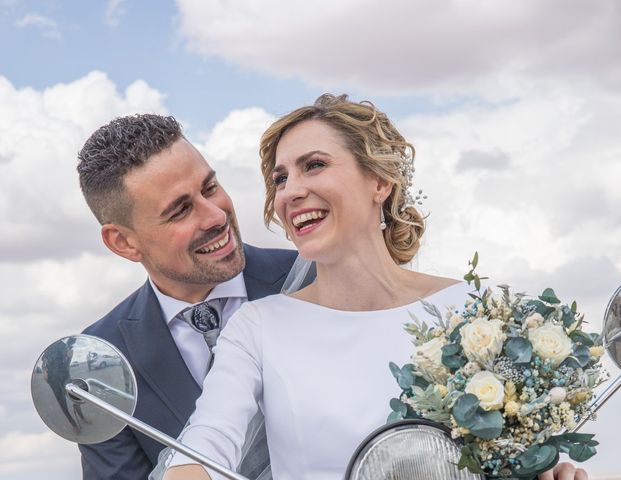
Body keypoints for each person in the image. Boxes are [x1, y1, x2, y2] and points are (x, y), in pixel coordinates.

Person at [163, 95, 588, 480]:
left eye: (314, 165)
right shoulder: (256, 328)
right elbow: (204, 447)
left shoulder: (475, 311)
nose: (291, 191)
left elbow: (520, 456)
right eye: (280, 179)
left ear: (379, 182)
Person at [76, 114, 310, 480]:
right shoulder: (98, 364)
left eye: (210, 187)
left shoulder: (312, 280)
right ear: (124, 242)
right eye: (181, 210)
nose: (215, 215)